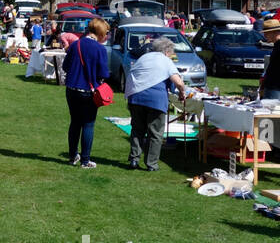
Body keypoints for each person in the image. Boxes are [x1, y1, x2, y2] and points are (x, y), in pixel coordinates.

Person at [125, 37, 186, 171]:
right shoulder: (166, 61)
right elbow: (179, 82)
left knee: (137, 130)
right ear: (166, 52)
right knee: (155, 133)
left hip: (135, 96)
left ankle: (134, 159)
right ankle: (151, 164)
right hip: (155, 99)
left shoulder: (144, 58)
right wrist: (182, 93)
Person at [61, 17, 110, 168]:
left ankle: (72, 156)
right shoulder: (100, 49)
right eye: (106, 32)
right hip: (88, 91)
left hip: (71, 89)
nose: (107, 36)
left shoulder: (76, 44)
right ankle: (85, 160)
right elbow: (103, 73)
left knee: (75, 123)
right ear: (100, 32)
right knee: (88, 125)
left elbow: (65, 66)